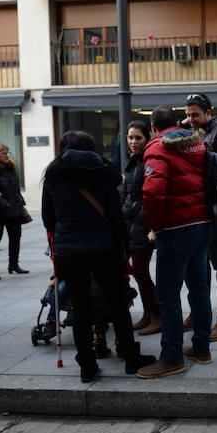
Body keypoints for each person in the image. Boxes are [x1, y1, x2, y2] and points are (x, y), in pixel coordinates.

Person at [42, 131, 155, 383]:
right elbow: (116, 215)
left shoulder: (53, 173)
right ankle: (129, 356)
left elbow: (48, 218)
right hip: (103, 248)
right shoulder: (102, 170)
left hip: (69, 251)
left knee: (80, 307)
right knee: (117, 302)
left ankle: (87, 365)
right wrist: (121, 246)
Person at [136, 106, 214, 379]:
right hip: (202, 223)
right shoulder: (197, 144)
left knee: (167, 295)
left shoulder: (158, 147)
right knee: (199, 288)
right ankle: (201, 347)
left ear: (154, 127)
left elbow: (153, 192)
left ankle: (171, 356)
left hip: (175, 228)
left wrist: (154, 225)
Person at [180, 93, 217, 342]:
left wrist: (199, 151)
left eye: (195, 114)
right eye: (187, 114)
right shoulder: (196, 130)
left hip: (213, 209)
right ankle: (199, 312)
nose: (190, 119)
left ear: (208, 112)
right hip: (196, 208)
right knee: (197, 266)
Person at [121, 120, 162, 336]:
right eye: (130, 137)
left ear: (147, 138)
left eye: (138, 137)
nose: (134, 142)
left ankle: (157, 314)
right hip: (131, 222)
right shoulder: (134, 161)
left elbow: (151, 194)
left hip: (142, 223)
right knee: (138, 271)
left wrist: (152, 225)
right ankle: (148, 313)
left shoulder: (148, 159)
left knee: (140, 270)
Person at [0, 144, 28, 274]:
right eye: (3, 153)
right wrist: (4, 204)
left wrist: (20, 203)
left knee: (15, 237)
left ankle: (13, 265)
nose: (7, 155)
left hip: (13, 209)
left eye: (8, 153)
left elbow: (15, 190)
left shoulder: (10, 168)